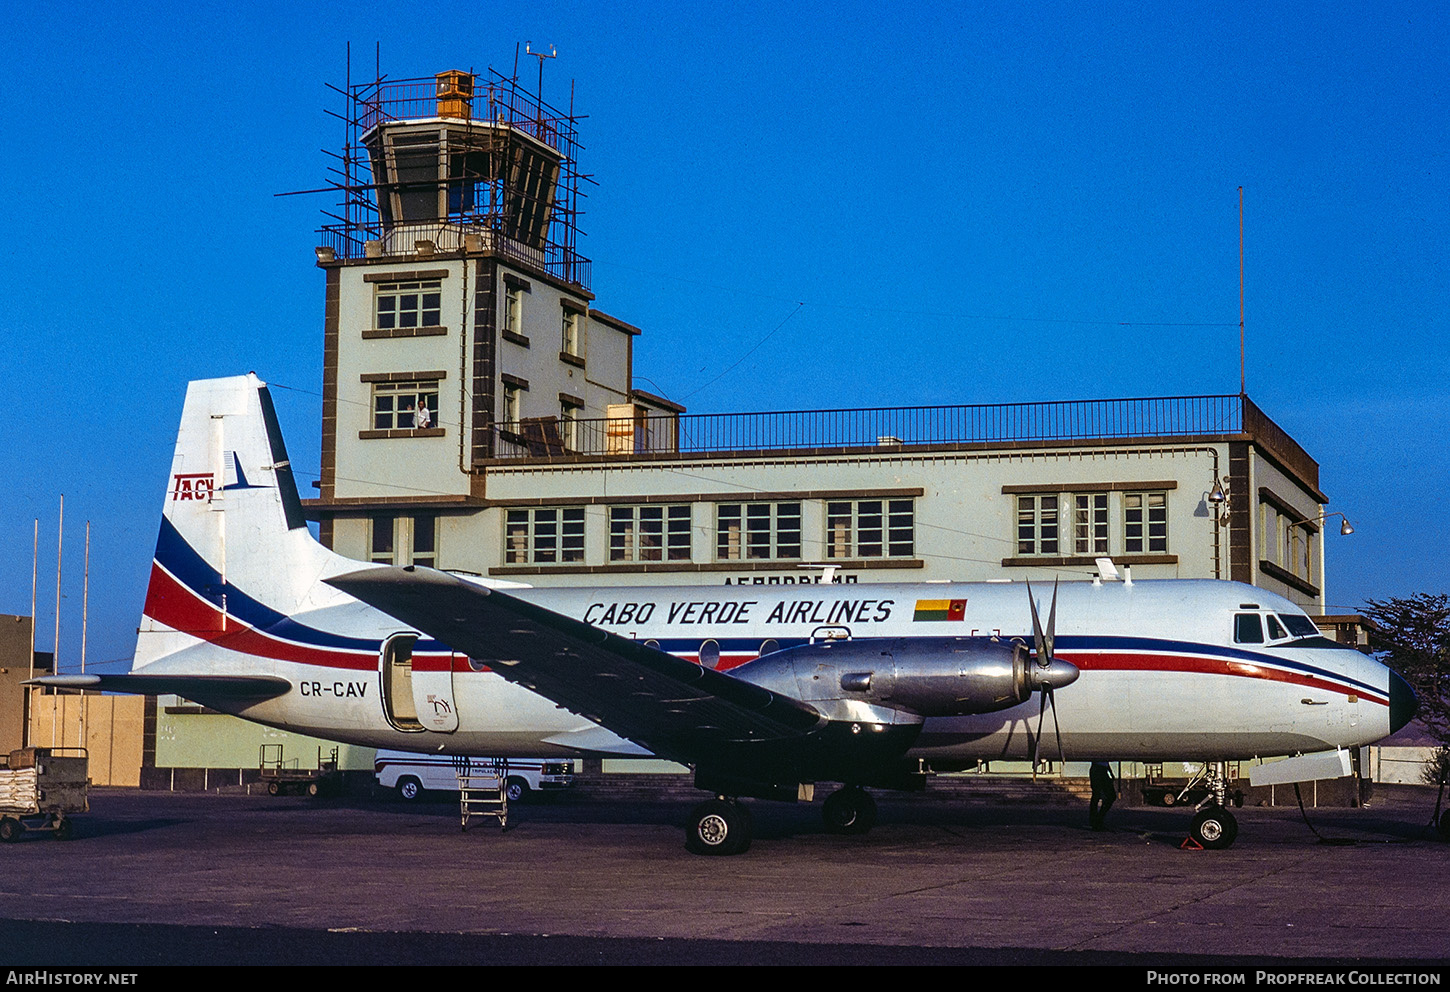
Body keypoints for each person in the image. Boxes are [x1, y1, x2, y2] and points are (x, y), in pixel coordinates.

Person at [1089, 760, 1116, 831]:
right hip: (1098, 769)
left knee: (1110, 796)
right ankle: (1096, 821)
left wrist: (1110, 772)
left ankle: (1098, 819)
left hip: (1102, 769)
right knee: (1096, 795)